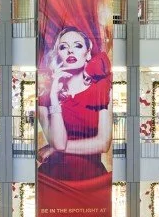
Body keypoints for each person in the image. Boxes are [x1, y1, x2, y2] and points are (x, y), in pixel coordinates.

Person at [36, 27, 111, 181]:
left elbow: (103, 143)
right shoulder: (45, 97)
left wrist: (54, 148)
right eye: (63, 47)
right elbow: (58, 142)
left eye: (77, 46)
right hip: (53, 179)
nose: (70, 51)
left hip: (91, 178)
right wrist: (54, 96)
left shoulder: (102, 88)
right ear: (58, 54)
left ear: (88, 52)